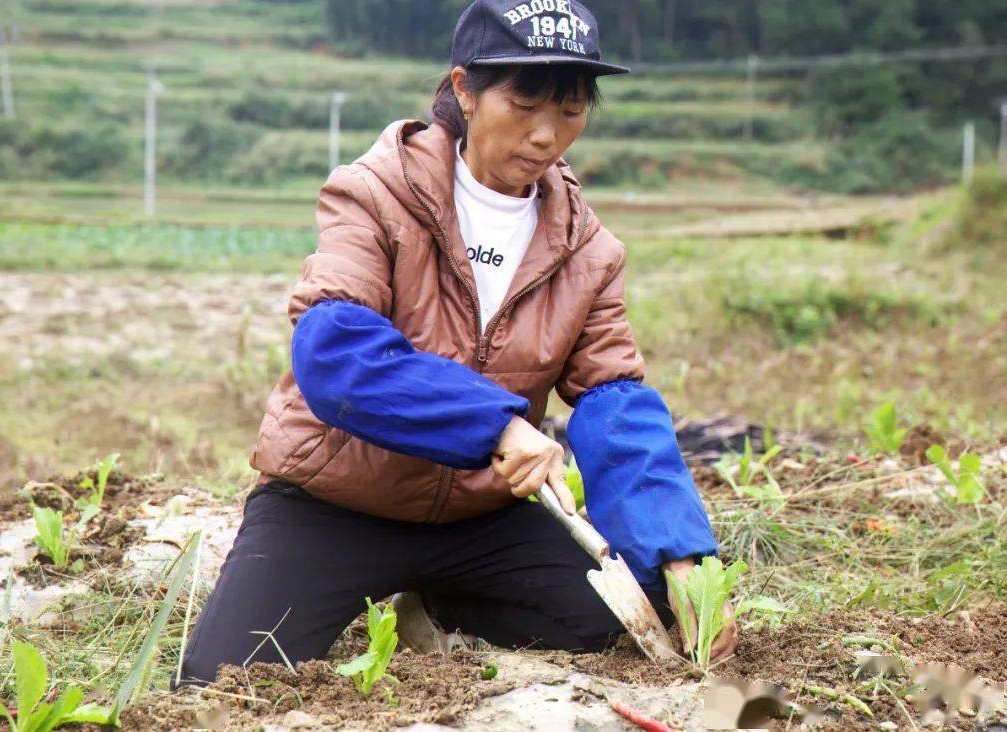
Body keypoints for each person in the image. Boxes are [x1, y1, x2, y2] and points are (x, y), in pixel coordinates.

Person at [176, 0, 735, 688]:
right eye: (525, 102)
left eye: (571, 109)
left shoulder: (586, 247)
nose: (546, 135)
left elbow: (613, 395)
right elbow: (335, 350)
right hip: (336, 502)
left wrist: (681, 554)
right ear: (465, 90)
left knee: (629, 620)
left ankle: (439, 606)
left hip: (481, 516)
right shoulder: (374, 196)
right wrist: (494, 424)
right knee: (224, 679)